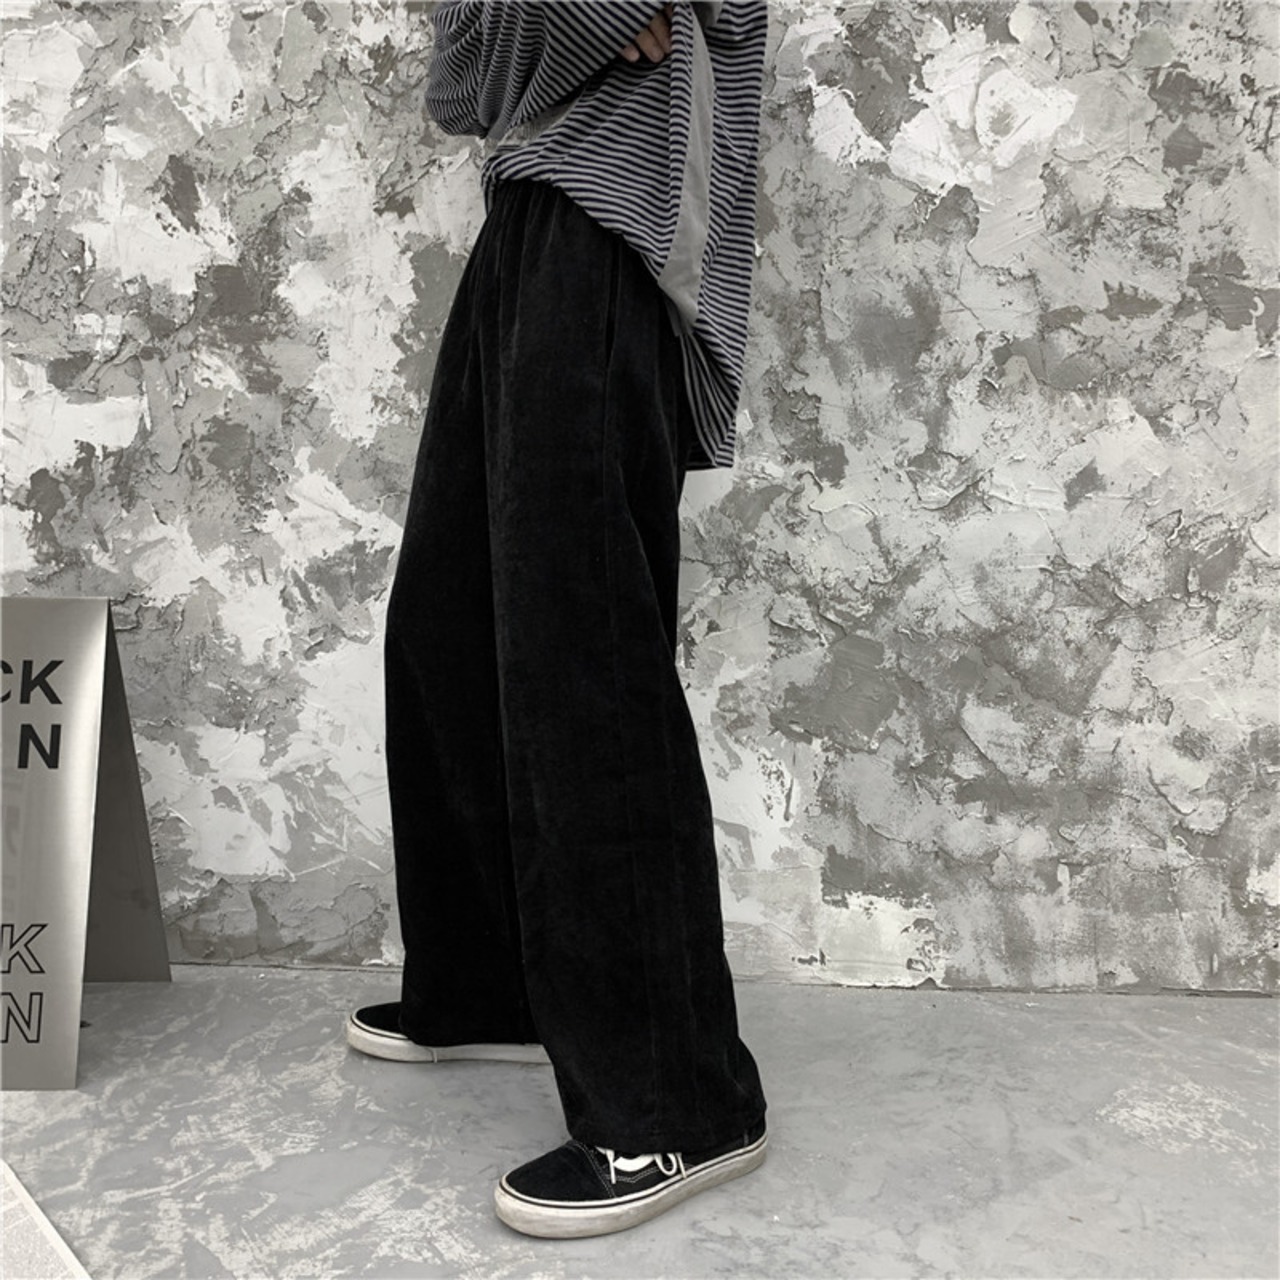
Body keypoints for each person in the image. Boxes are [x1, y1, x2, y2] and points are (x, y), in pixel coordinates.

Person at [345, 0, 770, 1238]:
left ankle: (677, 1097)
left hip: (612, 231)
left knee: (584, 658)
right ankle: (497, 983)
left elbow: (573, 35)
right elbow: (461, 83)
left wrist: (540, 30)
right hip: (526, 215)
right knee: (452, 621)